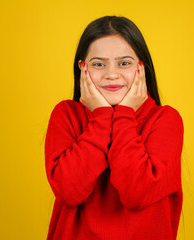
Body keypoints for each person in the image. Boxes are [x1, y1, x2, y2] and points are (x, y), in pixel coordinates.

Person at [44, 16, 184, 240]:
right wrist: (102, 117)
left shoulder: (166, 119)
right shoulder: (66, 115)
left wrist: (124, 116)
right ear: (83, 68)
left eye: (124, 63)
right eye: (99, 64)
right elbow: (69, 192)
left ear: (142, 67)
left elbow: (137, 194)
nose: (111, 74)